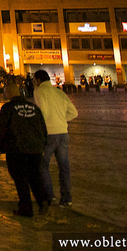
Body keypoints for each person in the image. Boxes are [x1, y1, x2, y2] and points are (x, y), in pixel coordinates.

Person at [0, 82, 49, 217]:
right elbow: (42, 128)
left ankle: (26, 208)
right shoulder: (34, 107)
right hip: (35, 149)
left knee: (20, 179)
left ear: (8, 93)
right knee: (35, 177)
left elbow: (2, 128)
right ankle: (43, 202)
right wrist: (42, 145)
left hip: (16, 149)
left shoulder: (8, 108)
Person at [33, 69, 78, 207]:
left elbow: (43, 113)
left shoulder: (39, 91)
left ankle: (50, 196)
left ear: (39, 80)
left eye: (34, 80)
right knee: (64, 167)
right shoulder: (59, 92)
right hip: (63, 133)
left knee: (42, 166)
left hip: (49, 134)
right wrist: (60, 120)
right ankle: (66, 199)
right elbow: (74, 113)